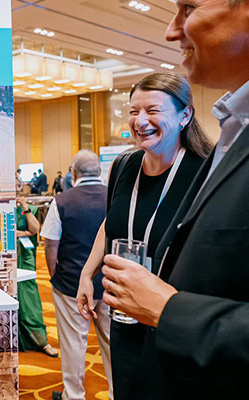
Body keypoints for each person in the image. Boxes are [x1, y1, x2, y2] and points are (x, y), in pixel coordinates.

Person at [99, 1, 249, 398]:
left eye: (188, 7)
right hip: (145, 334)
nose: (171, 30)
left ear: (184, 117)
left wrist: (167, 310)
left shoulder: (202, 161)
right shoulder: (233, 132)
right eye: (134, 111)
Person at [76, 72, 212, 399]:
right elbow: (112, 223)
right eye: (134, 111)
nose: (141, 121)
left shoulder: (204, 171)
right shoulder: (124, 166)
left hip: (175, 316)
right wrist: (87, 273)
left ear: (184, 116)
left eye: (153, 110)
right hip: (125, 314)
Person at [41, 151, 112, 400]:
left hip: (70, 284)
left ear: (73, 173)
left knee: (73, 344)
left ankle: (74, 396)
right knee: (113, 344)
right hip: (109, 284)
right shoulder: (115, 198)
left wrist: (54, 275)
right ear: (100, 172)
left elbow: (50, 243)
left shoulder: (61, 201)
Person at [15, 193, 58, 358]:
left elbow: (34, 230)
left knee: (29, 297)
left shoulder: (29, 208)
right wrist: (23, 232)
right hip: (5, 255)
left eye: (17, 185)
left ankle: (41, 341)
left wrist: (25, 208)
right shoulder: (2, 207)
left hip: (25, 256)